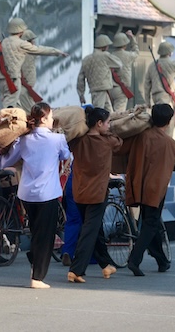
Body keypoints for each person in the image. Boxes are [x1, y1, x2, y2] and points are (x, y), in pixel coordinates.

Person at [0, 103, 70, 288]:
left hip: (27, 193)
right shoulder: (57, 139)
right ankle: (37, 277)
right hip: (48, 193)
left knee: (36, 231)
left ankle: (34, 261)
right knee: (46, 236)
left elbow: (6, 161)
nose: (53, 119)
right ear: (44, 119)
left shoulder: (24, 140)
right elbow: (66, 155)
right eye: (50, 116)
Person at [117, 104, 175, 276]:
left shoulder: (140, 136)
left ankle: (161, 260)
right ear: (169, 121)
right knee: (151, 223)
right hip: (155, 189)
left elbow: (121, 149)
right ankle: (135, 259)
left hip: (137, 183)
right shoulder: (170, 144)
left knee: (151, 221)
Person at [67, 106, 122, 283]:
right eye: (107, 123)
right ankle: (76, 270)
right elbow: (119, 141)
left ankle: (106, 265)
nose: (109, 126)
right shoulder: (107, 141)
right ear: (99, 124)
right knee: (89, 231)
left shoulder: (77, 141)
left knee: (94, 229)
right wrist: (108, 133)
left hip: (80, 192)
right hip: (97, 193)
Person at [0, 18, 68, 108]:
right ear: (21, 30)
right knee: (10, 107)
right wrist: (57, 52)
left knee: (16, 106)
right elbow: (39, 50)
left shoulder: (1, 44)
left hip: (2, 82)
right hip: (13, 80)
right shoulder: (21, 43)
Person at [76, 35, 122, 111]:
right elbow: (119, 64)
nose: (107, 48)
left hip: (95, 90)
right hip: (102, 88)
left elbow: (80, 79)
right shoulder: (104, 55)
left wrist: (81, 94)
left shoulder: (86, 59)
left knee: (109, 114)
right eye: (107, 46)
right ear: (103, 46)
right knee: (98, 113)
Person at [110, 31, 139, 112]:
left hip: (110, 88)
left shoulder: (110, 56)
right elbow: (136, 52)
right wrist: (133, 38)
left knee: (110, 113)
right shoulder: (128, 55)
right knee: (119, 114)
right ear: (125, 45)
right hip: (122, 89)